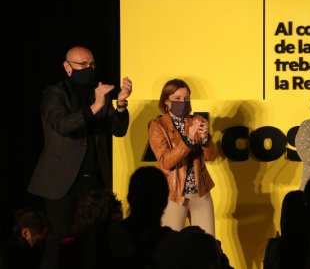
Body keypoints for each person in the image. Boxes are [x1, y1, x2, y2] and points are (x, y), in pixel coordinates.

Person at [27, 46, 132, 269]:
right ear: (67, 67)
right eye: (82, 64)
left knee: (96, 239)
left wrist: (121, 104)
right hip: (62, 183)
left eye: (91, 64)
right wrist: (95, 107)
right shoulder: (55, 93)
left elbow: (118, 130)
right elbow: (63, 125)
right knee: (61, 239)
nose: (88, 69)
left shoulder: (99, 92)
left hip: (93, 182)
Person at [148, 78, 218, 236]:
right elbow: (166, 161)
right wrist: (189, 140)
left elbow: (212, 156)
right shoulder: (157, 126)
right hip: (174, 194)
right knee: (170, 244)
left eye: (186, 99)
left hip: (201, 192)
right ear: (166, 101)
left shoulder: (196, 121)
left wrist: (206, 138)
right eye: (177, 98)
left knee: (206, 245)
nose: (183, 102)